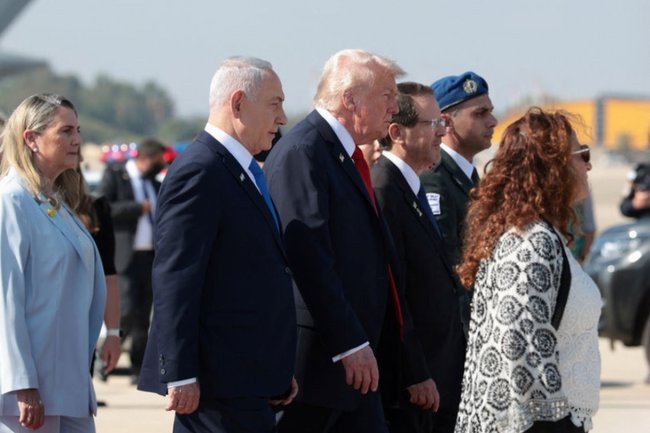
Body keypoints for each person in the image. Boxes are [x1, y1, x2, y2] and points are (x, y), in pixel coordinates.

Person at [265, 49, 432, 433]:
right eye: (387, 96)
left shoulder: (340, 153)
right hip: (320, 367)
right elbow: (309, 258)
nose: (395, 107)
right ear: (350, 99)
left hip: (355, 365)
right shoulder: (304, 152)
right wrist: (349, 344)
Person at [137, 56, 298, 433]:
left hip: (248, 378)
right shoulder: (201, 169)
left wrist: (275, 366)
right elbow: (176, 276)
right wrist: (180, 372)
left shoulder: (240, 169)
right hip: (217, 388)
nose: (282, 118)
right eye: (274, 104)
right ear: (238, 103)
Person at [454, 108, 601, 433]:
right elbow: (520, 343)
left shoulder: (540, 233)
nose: (588, 165)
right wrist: (557, 424)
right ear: (554, 167)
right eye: (582, 155)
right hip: (535, 424)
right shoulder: (531, 241)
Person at [0, 93, 106, 432]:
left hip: (68, 385)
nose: (77, 140)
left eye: (78, 130)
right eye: (65, 131)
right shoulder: (11, 201)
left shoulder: (53, 201)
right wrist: (22, 383)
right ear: (31, 139)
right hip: (29, 394)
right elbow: (6, 300)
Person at [371, 82, 465, 433]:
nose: (442, 132)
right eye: (433, 123)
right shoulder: (384, 189)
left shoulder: (409, 186)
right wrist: (415, 372)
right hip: (415, 384)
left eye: (443, 123)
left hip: (438, 371)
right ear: (397, 133)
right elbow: (394, 294)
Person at [419, 71, 497, 336]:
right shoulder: (435, 177)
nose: (492, 121)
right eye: (480, 113)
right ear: (446, 122)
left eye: (490, 112)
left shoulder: (468, 175)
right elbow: (445, 266)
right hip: (456, 330)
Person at [99, 138, 166, 384]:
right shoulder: (116, 176)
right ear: (145, 158)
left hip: (149, 258)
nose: (160, 166)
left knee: (143, 316)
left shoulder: (154, 184)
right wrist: (137, 208)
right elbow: (104, 208)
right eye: (157, 161)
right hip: (125, 257)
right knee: (125, 311)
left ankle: (138, 368)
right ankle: (105, 357)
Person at [59, 163, 122, 381]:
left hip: (81, 329)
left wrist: (113, 333)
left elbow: (108, 275)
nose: (72, 147)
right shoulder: (22, 203)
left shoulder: (95, 209)